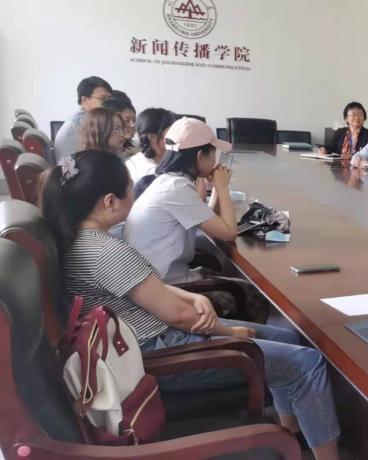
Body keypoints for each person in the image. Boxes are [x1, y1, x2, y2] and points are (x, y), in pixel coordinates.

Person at [40, 151, 341, 459]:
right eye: (129, 188)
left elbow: (146, 288)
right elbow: (180, 317)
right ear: (109, 202)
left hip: (150, 339)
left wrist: (195, 297)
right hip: (159, 352)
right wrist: (231, 332)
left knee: (287, 337)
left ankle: (291, 431)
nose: (134, 195)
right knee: (307, 364)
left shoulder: (83, 241)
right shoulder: (104, 251)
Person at [123, 117, 271, 322]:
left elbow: (208, 218)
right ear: (200, 156)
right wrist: (222, 187)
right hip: (168, 291)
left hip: (157, 282)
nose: (216, 161)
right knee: (253, 293)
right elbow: (229, 233)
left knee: (229, 277)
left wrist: (217, 188)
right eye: (213, 154)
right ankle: (246, 336)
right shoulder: (177, 189)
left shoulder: (169, 182)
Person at [54, 76, 113, 162]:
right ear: (84, 99)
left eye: (110, 99)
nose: (108, 104)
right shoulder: (84, 122)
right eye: (103, 99)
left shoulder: (88, 117)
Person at [125, 108, 178, 183]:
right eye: (173, 130)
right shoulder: (153, 174)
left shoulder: (138, 159)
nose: (179, 135)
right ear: (153, 137)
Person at [103, 92, 139, 156]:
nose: (133, 125)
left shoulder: (135, 147)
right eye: (126, 121)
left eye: (134, 120)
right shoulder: (98, 153)